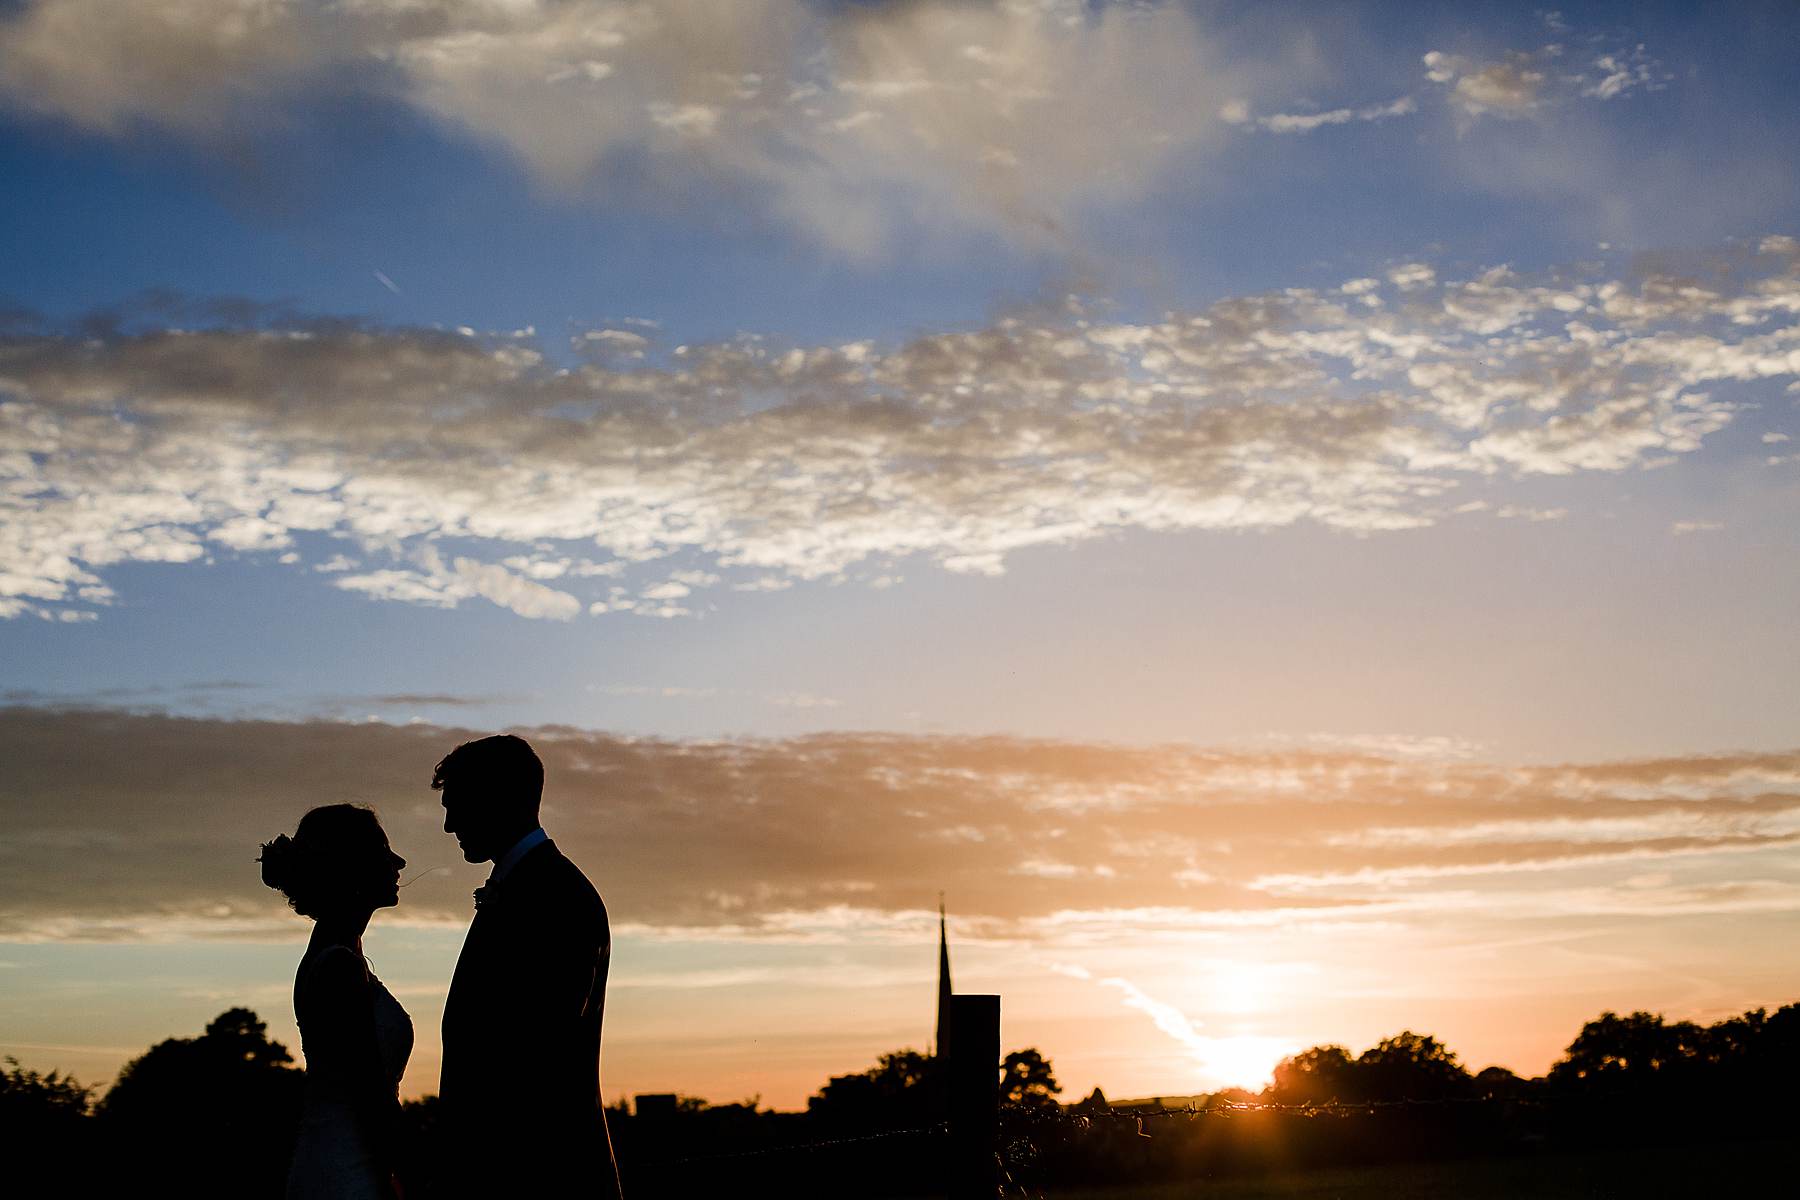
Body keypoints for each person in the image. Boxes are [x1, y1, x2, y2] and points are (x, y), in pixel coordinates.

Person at [434, 734, 623, 1198]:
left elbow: (537, 1049)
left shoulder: (558, 896)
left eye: (457, 805)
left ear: (499, 799)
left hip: (540, 1172)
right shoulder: (528, 886)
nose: (448, 824)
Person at [260, 805, 413, 1200]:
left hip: (344, 1162)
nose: (399, 862)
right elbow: (370, 1096)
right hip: (346, 1175)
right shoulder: (338, 967)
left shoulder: (342, 954)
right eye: (383, 852)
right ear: (352, 867)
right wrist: (417, 1179)